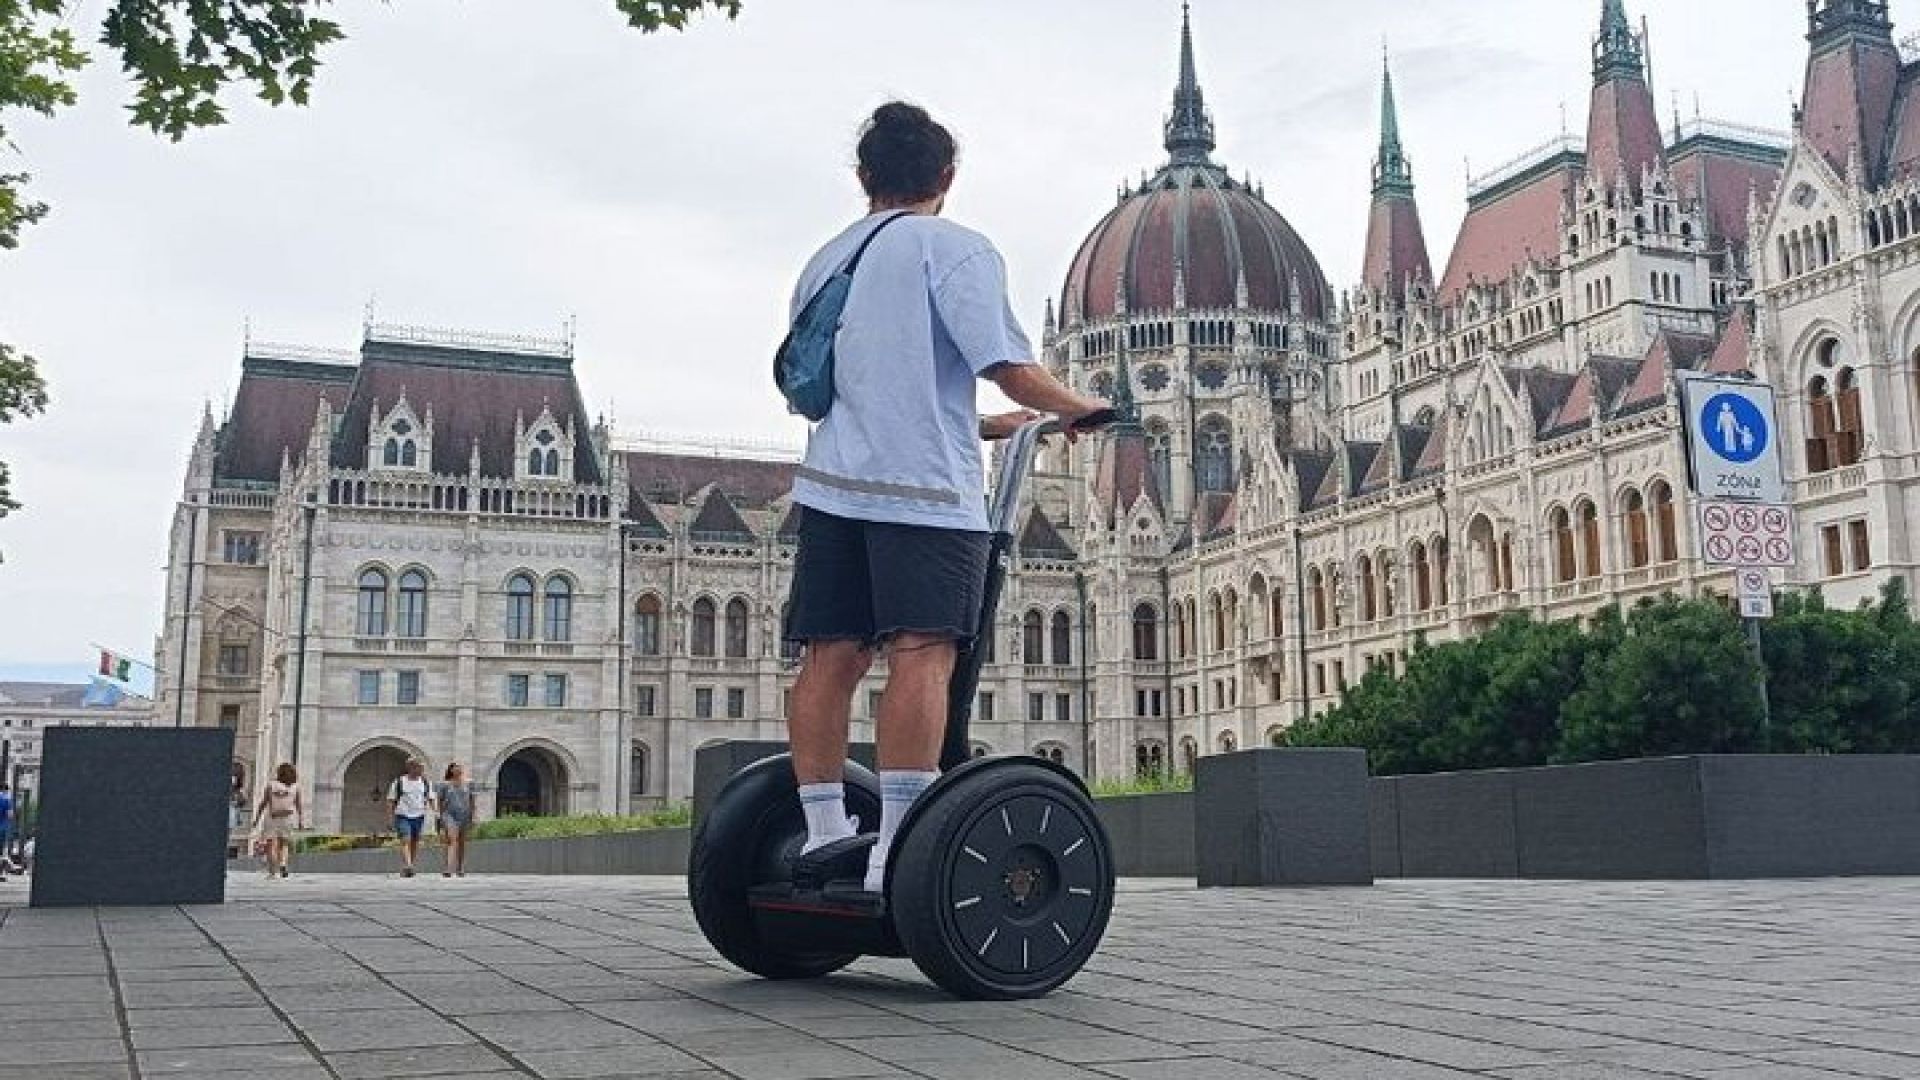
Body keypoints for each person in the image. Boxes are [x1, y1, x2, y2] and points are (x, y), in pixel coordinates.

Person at [782, 102, 1106, 893]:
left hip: (831, 487)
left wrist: (988, 426)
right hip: (924, 493)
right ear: (947, 178)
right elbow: (1008, 364)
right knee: (924, 653)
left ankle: (824, 831)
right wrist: (1078, 408)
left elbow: (839, 383)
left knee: (831, 656)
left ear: (864, 177)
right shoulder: (955, 251)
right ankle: (899, 845)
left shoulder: (825, 259)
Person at [251, 763, 305, 880]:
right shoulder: (296, 787)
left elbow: (263, 803)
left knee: (271, 846)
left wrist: (256, 819)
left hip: (272, 817)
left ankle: (272, 873)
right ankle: (283, 864)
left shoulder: (271, 785)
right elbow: (299, 805)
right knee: (284, 844)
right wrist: (301, 820)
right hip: (288, 818)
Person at [387, 758, 437, 878]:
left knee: (414, 842)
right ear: (410, 768)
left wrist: (436, 812)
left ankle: (410, 865)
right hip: (403, 815)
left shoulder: (425, 782)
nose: (421, 770)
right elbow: (390, 801)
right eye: (419, 767)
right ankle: (408, 865)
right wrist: (389, 818)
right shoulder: (399, 782)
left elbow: (431, 798)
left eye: (422, 767)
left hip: (419, 816)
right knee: (406, 839)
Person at [435, 762, 476, 878]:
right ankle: (448, 868)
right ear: (451, 770)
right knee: (452, 840)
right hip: (449, 815)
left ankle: (460, 867)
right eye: (455, 768)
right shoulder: (444, 784)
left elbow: (472, 800)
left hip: (465, 815)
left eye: (460, 767)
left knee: (462, 842)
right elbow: (440, 801)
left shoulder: (469, 783)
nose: (458, 769)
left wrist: (473, 816)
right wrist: (440, 816)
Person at [0, 783, 12, 883]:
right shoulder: (6, 800)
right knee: (2, 851)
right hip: (2, 828)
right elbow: (9, 815)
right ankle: (1, 874)